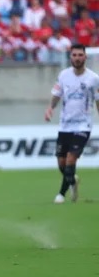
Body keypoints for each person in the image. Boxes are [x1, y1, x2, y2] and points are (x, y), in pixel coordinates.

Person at [45, 44, 99, 204]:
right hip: (65, 125)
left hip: (83, 126)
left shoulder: (93, 79)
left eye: (80, 55)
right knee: (62, 163)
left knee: (70, 160)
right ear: (70, 57)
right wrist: (50, 108)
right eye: (74, 55)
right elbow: (56, 94)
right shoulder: (63, 75)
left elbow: (98, 101)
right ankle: (73, 181)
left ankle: (61, 194)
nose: (77, 58)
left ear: (85, 57)